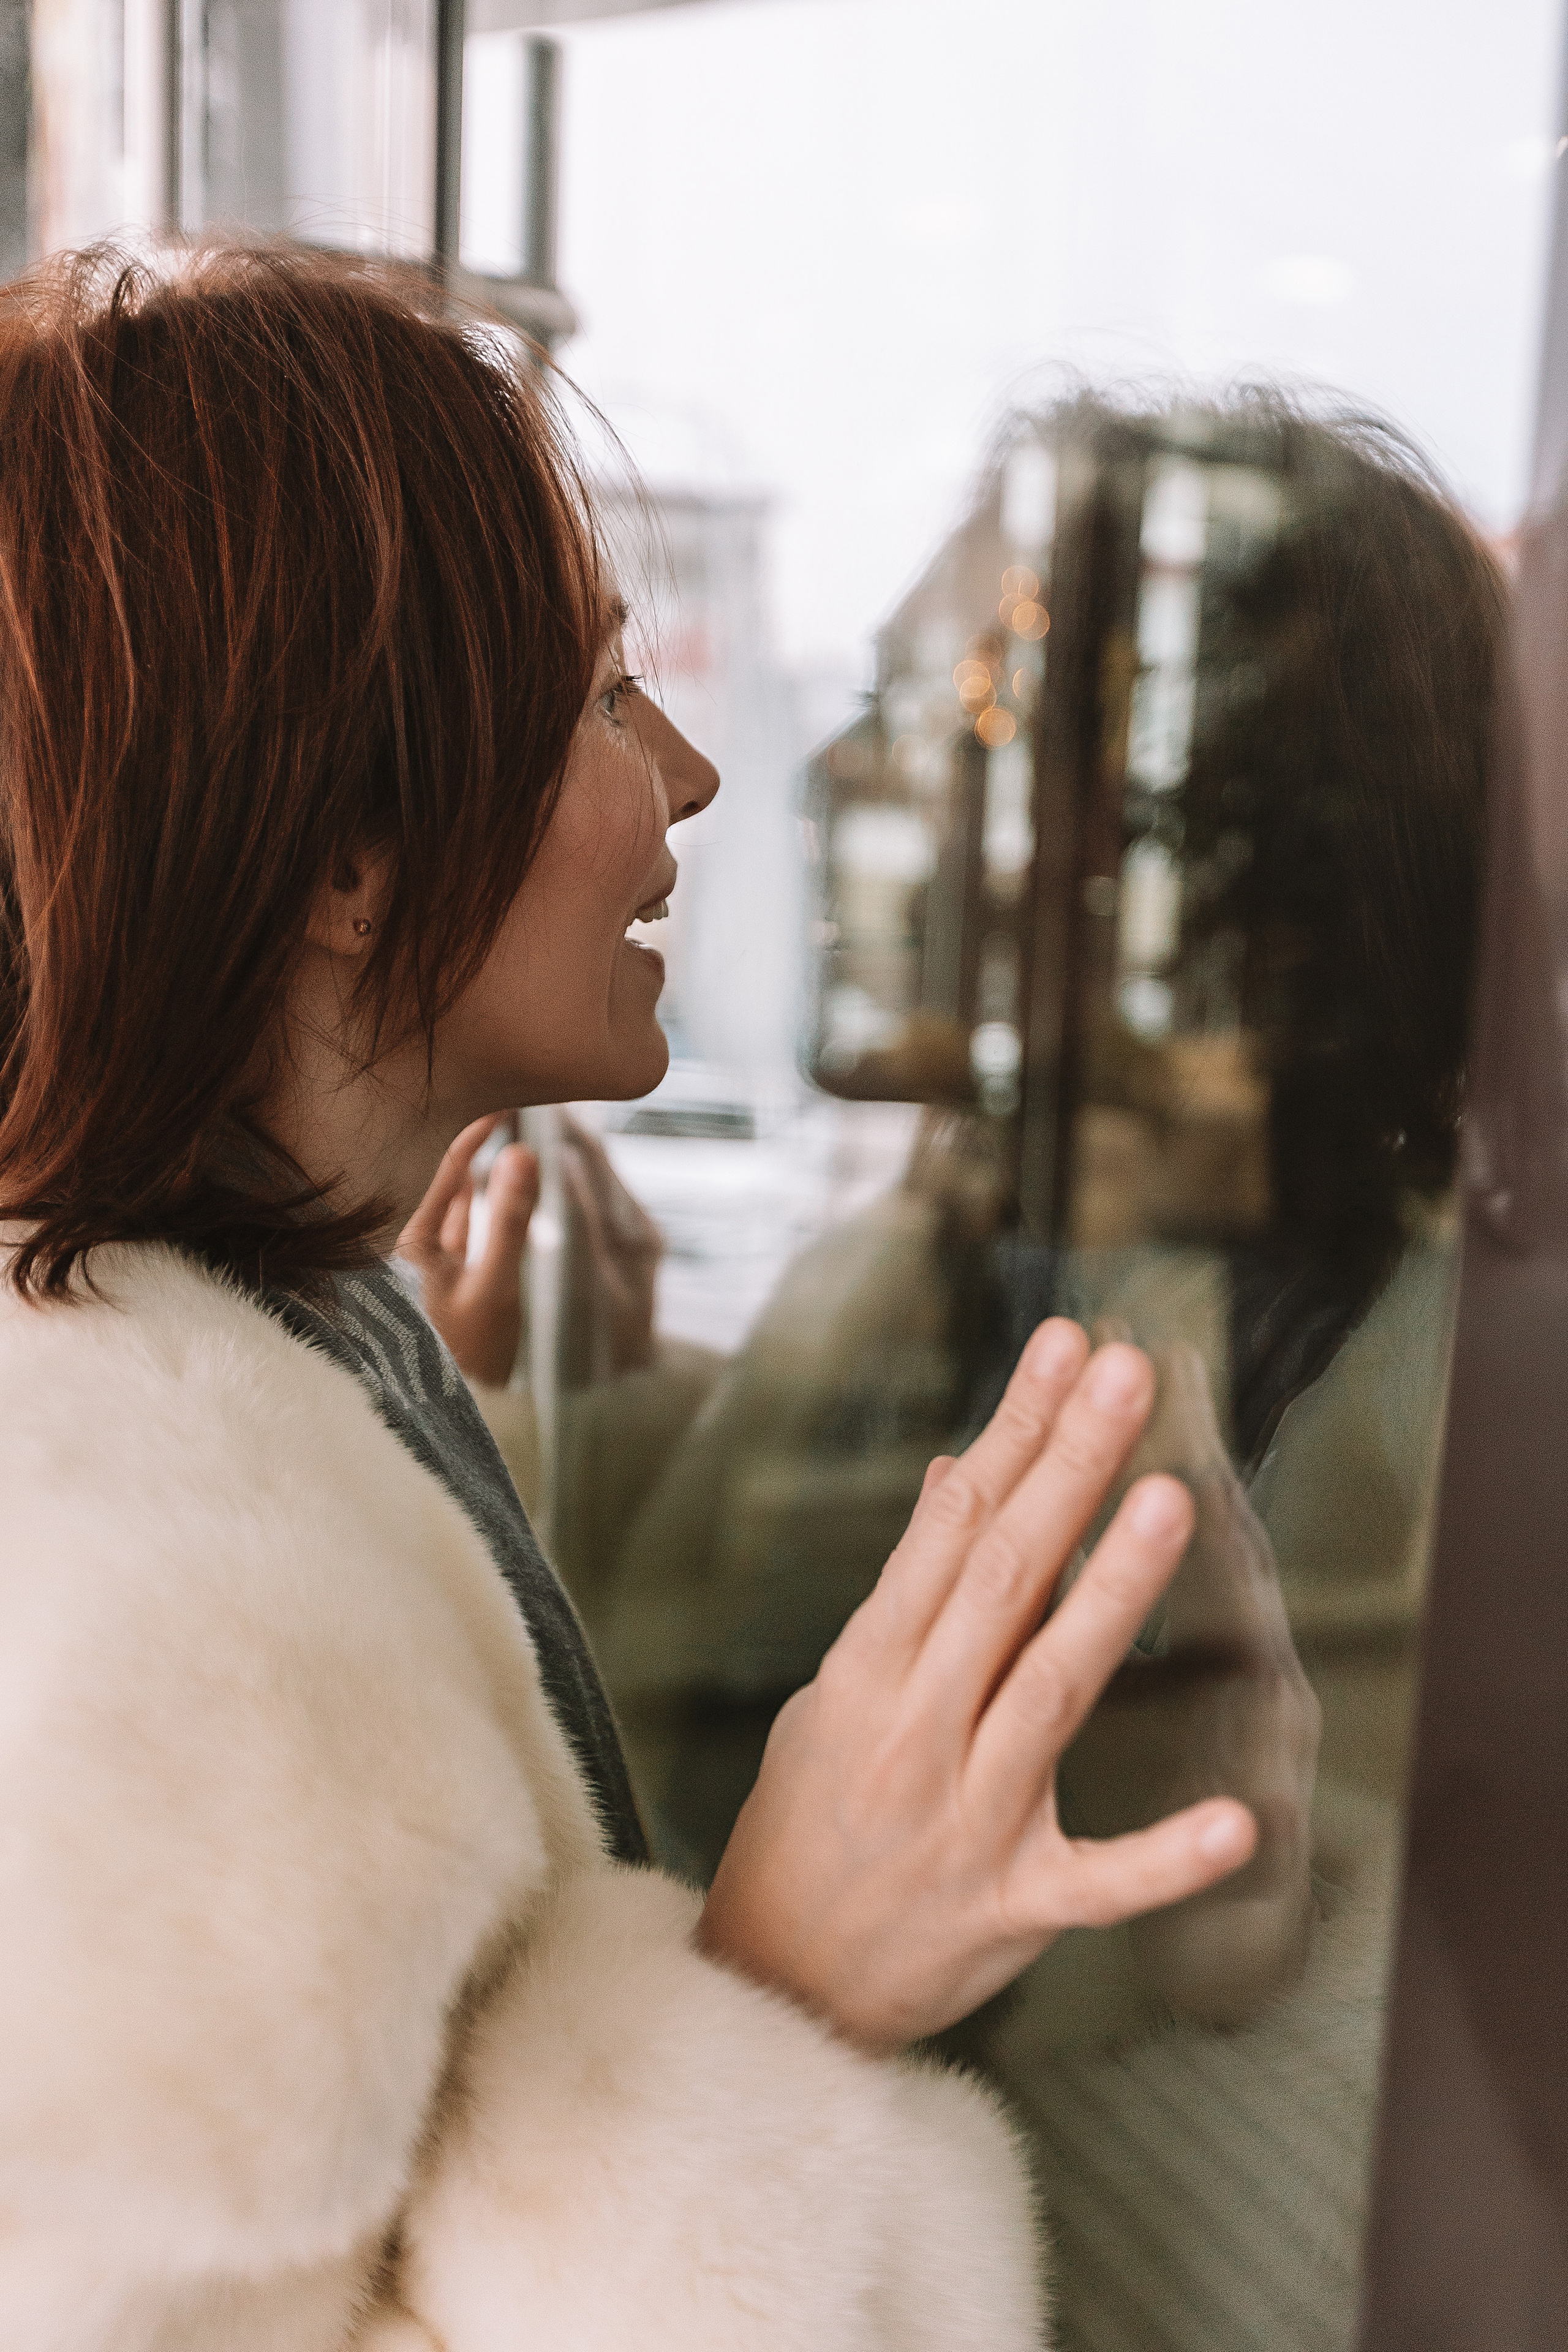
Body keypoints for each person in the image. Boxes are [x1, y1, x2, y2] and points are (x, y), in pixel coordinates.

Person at [0, 243, 1261, 2351]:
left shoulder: (274, 1359)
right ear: (345, 866)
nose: (684, 772)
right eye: (596, 695)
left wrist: (462, 1447)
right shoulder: (133, 1593)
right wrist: (791, 1983)